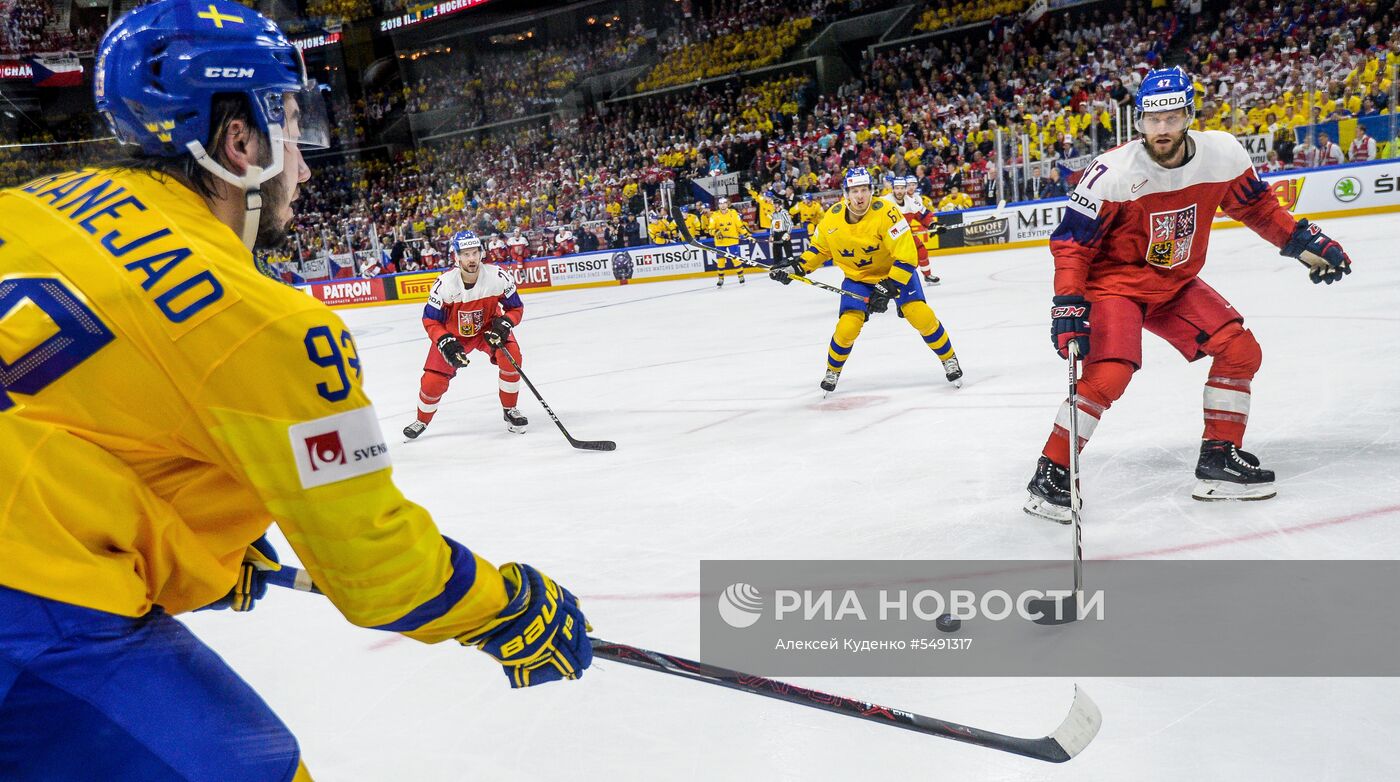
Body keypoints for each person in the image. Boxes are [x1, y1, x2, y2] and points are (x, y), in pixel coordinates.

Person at [0, 1, 590, 779]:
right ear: (237, 141)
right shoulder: (265, 327)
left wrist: (193, 547)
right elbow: (375, 568)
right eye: (291, 124)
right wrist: (503, 608)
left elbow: (67, 421)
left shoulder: (27, 207)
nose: (306, 165)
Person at [1022, 67, 1353, 522]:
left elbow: (1256, 207)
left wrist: (1300, 243)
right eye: (1152, 120)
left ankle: (1218, 460)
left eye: (1172, 118)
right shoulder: (1112, 174)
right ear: (1138, 121)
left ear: (1188, 116)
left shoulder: (1223, 154)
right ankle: (1051, 473)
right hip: (1115, 285)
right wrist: (1068, 303)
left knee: (1240, 350)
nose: (1162, 129)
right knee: (1110, 375)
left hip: (1173, 283)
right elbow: (1072, 244)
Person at [769, 167, 963, 392]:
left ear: (872, 191)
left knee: (921, 315)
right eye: (854, 191)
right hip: (858, 279)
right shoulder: (831, 218)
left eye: (864, 190)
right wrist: (796, 267)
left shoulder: (887, 212)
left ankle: (949, 359)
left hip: (895, 274)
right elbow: (819, 250)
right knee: (846, 328)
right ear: (846, 193)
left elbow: (907, 255)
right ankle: (833, 371)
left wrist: (888, 287)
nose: (860, 196)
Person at [405, 231, 528, 439]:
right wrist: (444, 341)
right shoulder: (444, 285)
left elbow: (515, 308)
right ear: (457, 257)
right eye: (466, 254)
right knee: (432, 381)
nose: (471, 259)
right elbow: (431, 320)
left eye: (474, 253)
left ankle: (510, 410)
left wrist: (504, 325)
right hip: (454, 335)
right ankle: (421, 420)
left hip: (488, 330)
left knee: (512, 355)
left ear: (482, 254)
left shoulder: (498, 277)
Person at [892, 175, 941, 285]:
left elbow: (924, 215)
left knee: (921, 251)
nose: (899, 191)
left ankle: (927, 275)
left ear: (905, 189)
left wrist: (932, 224)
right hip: (888, 237)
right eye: (897, 188)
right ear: (893, 189)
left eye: (902, 188)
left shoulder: (911, 202)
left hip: (906, 234)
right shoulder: (886, 201)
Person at [708, 196, 750, 287]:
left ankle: (741, 276)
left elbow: (740, 226)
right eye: (720, 204)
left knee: (736, 259)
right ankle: (720, 279)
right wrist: (716, 232)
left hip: (733, 240)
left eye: (724, 203)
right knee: (720, 261)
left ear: (727, 204)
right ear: (718, 205)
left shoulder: (733, 213)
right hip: (720, 242)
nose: (722, 205)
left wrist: (747, 235)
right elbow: (710, 230)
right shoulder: (714, 215)